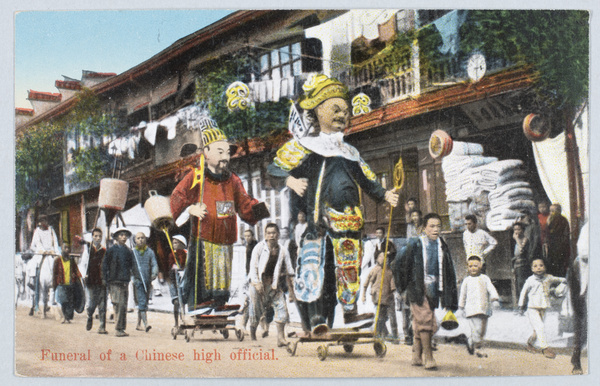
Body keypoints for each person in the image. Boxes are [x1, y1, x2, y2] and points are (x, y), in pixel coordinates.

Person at [268, 74, 400, 329]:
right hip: (320, 222)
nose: (342, 114)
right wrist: (291, 181)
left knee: (349, 269)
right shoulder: (305, 145)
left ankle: (350, 314)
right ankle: (317, 318)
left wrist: (384, 194)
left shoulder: (351, 152)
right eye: (335, 109)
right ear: (316, 111)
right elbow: (275, 168)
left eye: (346, 111)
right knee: (319, 271)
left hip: (350, 222)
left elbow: (368, 179)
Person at [170, 119, 269, 310]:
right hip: (204, 236)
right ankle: (200, 303)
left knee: (223, 272)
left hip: (226, 238)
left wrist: (260, 208)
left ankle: (220, 302)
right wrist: (191, 208)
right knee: (203, 272)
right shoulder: (196, 176)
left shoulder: (233, 180)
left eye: (227, 153)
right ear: (206, 153)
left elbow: (244, 204)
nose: (225, 157)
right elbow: (177, 197)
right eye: (220, 152)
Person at [393, 213, 458, 370]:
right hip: (417, 289)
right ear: (423, 228)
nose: (436, 230)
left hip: (435, 289)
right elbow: (397, 263)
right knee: (426, 321)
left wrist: (449, 296)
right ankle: (429, 357)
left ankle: (416, 356)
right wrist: (403, 287)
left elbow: (449, 270)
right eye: (432, 226)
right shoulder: (415, 244)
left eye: (438, 226)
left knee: (424, 322)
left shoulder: (442, 245)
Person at [248, 223, 295, 346]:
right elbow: (253, 267)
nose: (271, 235)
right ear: (265, 235)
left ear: (278, 235)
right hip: (258, 284)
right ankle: (253, 334)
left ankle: (281, 339)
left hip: (273, 285)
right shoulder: (258, 248)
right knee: (256, 311)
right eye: (268, 233)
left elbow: (290, 270)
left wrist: (292, 290)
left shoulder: (283, 250)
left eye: (274, 233)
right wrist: (256, 283)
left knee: (282, 309)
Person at [518, 257, 566, 359]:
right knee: (540, 327)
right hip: (532, 308)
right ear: (531, 269)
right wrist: (521, 305)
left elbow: (562, 280)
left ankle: (529, 344)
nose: (538, 268)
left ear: (545, 267)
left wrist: (557, 289)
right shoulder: (530, 280)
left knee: (537, 330)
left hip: (543, 307)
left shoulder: (549, 278)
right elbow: (523, 293)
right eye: (535, 266)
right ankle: (545, 349)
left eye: (541, 265)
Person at [458, 255, 500, 357]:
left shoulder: (485, 278)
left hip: (484, 308)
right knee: (477, 329)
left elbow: (491, 289)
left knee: (482, 330)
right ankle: (478, 348)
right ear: (467, 267)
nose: (473, 268)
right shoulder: (466, 280)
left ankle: (471, 341)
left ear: (480, 266)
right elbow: (462, 294)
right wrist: (461, 307)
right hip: (471, 309)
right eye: (470, 266)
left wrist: (494, 299)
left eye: (475, 266)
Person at [101, 227, 134, 337]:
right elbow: (104, 265)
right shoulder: (111, 251)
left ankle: (121, 328)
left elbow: (132, 265)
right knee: (118, 304)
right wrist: (105, 279)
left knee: (123, 305)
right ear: (116, 237)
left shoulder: (129, 251)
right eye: (121, 235)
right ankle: (118, 328)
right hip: (114, 280)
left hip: (124, 281)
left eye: (125, 235)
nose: (123, 237)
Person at [361, 251, 398, 342]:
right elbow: (366, 284)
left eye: (385, 257)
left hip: (388, 298)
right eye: (381, 256)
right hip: (378, 298)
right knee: (380, 318)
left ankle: (394, 336)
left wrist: (394, 292)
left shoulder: (389, 271)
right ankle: (379, 334)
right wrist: (364, 295)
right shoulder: (374, 270)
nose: (384, 258)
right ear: (377, 259)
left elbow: (392, 284)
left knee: (392, 317)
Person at [28, 214, 60, 316]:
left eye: (45, 220)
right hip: (40, 254)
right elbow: (35, 244)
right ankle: (32, 281)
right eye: (42, 221)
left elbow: (55, 242)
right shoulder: (37, 231)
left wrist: (54, 251)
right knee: (33, 264)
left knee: (58, 264)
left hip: (51, 253)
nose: (44, 223)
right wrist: (41, 251)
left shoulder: (51, 230)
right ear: (39, 222)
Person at [131, 232, 158, 332]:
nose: (141, 240)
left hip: (147, 280)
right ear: (135, 240)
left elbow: (154, 264)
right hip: (138, 281)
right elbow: (130, 267)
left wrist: (154, 274)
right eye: (138, 238)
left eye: (142, 238)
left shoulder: (150, 252)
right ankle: (146, 324)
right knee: (142, 301)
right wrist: (133, 278)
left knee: (144, 302)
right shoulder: (133, 252)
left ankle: (138, 324)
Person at [84, 228, 108, 334]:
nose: (98, 238)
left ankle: (102, 327)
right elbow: (83, 264)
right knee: (92, 303)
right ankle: (90, 315)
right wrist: (85, 274)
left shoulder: (104, 251)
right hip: (91, 281)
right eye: (95, 236)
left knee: (102, 305)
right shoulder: (88, 250)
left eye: (99, 236)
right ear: (92, 237)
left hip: (102, 281)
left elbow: (107, 265)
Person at [52, 243, 81, 323]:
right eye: (65, 248)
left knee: (70, 302)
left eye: (68, 248)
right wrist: (54, 285)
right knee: (63, 301)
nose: (67, 250)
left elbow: (76, 270)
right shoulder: (57, 260)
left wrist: (79, 277)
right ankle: (64, 317)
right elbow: (55, 273)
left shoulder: (71, 260)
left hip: (70, 284)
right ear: (62, 249)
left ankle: (68, 318)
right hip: (61, 284)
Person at [546, 203, 570, 277]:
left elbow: (565, 235)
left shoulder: (563, 220)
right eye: (550, 211)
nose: (551, 213)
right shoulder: (550, 219)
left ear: (559, 211)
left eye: (553, 211)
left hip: (560, 248)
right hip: (552, 247)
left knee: (560, 268)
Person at [168, 235, 187, 328]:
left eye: (176, 243)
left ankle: (183, 321)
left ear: (182, 244)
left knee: (182, 302)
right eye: (173, 243)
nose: (174, 245)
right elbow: (170, 266)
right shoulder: (172, 255)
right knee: (176, 302)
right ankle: (176, 323)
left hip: (183, 280)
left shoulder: (186, 254)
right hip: (174, 281)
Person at [511, 222, 531, 301]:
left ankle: (524, 303)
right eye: (515, 229)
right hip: (517, 265)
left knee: (522, 284)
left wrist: (516, 239)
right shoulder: (515, 240)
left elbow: (521, 250)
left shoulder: (524, 239)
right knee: (517, 285)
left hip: (524, 265)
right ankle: (520, 303)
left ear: (522, 230)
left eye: (518, 229)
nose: (516, 231)